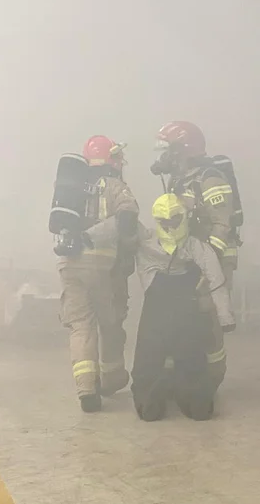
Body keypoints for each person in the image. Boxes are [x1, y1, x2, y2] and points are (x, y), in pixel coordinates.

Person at [151, 121, 242, 388]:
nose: (165, 158)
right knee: (182, 312)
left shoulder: (209, 178)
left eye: (169, 151)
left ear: (184, 149)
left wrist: (209, 262)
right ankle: (181, 372)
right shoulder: (179, 180)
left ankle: (213, 375)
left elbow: (222, 223)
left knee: (208, 313)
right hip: (190, 256)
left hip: (216, 256)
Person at [131, 193, 234, 421]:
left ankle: (179, 401)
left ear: (184, 217)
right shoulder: (150, 241)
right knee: (163, 359)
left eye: (175, 220)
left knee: (176, 358)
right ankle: (162, 401)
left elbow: (215, 280)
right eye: (164, 222)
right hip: (174, 308)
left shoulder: (193, 246)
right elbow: (216, 279)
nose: (170, 226)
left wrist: (225, 316)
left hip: (170, 310)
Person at [55, 136, 138, 412]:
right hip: (103, 267)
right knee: (110, 324)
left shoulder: (72, 189)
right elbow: (128, 219)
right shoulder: (114, 185)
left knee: (81, 326)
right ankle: (112, 378)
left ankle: (86, 390)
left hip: (69, 265)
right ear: (111, 158)